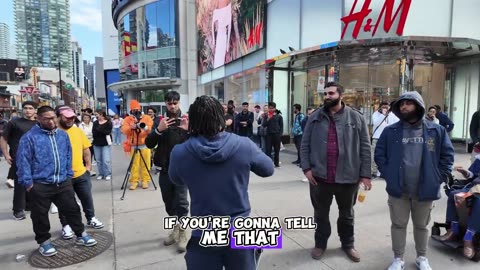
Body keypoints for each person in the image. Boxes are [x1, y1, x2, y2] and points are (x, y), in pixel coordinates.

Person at [169, 95, 274, 269]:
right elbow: (268, 169)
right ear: (221, 118)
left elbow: (175, 179)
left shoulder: (180, 152)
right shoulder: (244, 144)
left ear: (193, 121)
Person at [375, 91, 454, 270]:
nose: (404, 106)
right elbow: (380, 155)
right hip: (398, 189)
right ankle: (398, 258)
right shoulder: (390, 131)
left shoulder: (436, 130)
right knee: (398, 224)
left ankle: (422, 257)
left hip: (425, 189)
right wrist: (389, 174)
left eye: (408, 103)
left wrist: (437, 178)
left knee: (421, 225)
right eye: (401, 104)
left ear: (418, 106)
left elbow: (447, 157)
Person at [300, 82, 372, 262]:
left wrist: (365, 174)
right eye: (325, 93)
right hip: (320, 178)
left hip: (348, 177)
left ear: (341, 95)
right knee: (320, 214)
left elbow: (365, 147)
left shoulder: (356, 118)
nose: (327, 96)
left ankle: (348, 244)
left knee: (347, 214)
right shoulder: (315, 117)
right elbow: (305, 144)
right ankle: (320, 244)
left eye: (331, 93)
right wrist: (307, 169)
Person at [16, 105, 97, 257]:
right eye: (46, 119)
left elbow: (68, 155)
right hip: (40, 184)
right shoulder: (29, 138)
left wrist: (67, 173)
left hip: (63, 181)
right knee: (40, 215)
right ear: (38, 119)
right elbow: (23, 162)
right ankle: (44, 242)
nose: (51, 121)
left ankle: (81, 234)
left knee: (72, 209)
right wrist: (28, 183)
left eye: (53, 118)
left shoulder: (62, 135)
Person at [145, 91, 190, 252]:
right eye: (170, 103)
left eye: (175, 103)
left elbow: (195, 143)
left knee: (182, 203)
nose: (172, 106)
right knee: (169, 203)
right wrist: (159, 130)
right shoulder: (158, 120)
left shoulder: (186, 119)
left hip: (181, 170)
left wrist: (187, 131)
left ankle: (183, 233)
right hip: (164, 169)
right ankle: (175, 229)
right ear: (165, 103)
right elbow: (149, 143)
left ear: (178, 103)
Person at [55, 105, 105, 239]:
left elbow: (86, 150)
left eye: (72, 117)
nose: (70, 119)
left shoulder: (77, 131)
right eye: (67, 117)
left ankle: (91, 218)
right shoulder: (53, 133)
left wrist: (88, 167)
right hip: (63, 176)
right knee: (65, 202)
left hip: (81, 173)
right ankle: (66, 225)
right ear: (58, 116)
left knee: (87, 198)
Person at [0, 101, 38, 219]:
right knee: (20, 184)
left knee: (35, 183)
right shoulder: (14, 122)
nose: (28, 110)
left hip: (36, 158)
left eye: (31, 108)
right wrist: (6, 154)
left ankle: (29, 206)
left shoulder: (39, 124)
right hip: (19, 158)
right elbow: (4, 138)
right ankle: (18, 210)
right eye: (25, 108)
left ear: (35, 110)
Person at [122, 100, 154, 190]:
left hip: (145, 145)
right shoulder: (127, 119)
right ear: (131, 111)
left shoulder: (147, 118)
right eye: (133, 110)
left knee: (146, 164)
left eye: (137, 110)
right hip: (133, 146)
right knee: (134, 165)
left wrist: (144, 126)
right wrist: (131, 127)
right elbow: (124, 130)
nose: (136, 112)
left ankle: (145, 180)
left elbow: (150, 130)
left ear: (140, 109)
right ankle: (134, 181)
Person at [371, 101, 399, 177]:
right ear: (380, 107)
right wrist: (383, 115)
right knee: (374, 155)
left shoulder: (392, 115)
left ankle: (384, 171)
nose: (385, 109)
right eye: (383, 107)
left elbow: (397, 123)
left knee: (387, 155)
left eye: (386, 107)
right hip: (377, 137)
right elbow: (375, 123)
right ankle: (374, 171)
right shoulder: (376, 114)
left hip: (388, 138)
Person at [262, 102, 283, 168]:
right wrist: (268, 118)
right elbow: (263, 125)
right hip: (269, 135)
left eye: (272, 108)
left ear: (274, 108)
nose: (270, 110)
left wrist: (280, 135)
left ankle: (276, 163)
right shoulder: (266, 116)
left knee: (277, 150)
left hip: (276, 135)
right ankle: (268, 163)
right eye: (269, 108)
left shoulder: (279, 116)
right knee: (268, 150)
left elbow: (281, 126)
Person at [92, 111, 113, 180]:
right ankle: (101, 173)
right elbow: (94, 132)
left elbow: (108, 132)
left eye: (98, 115)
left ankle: (107, 173)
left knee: (106, 160)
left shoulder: (108, 122)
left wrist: (99, 130)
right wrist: (102, 131)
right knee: (98, 160)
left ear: (102, 115)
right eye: (96, 115)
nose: (97, 116)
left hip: (106, 143)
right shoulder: (95, 123)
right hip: (96, 142)